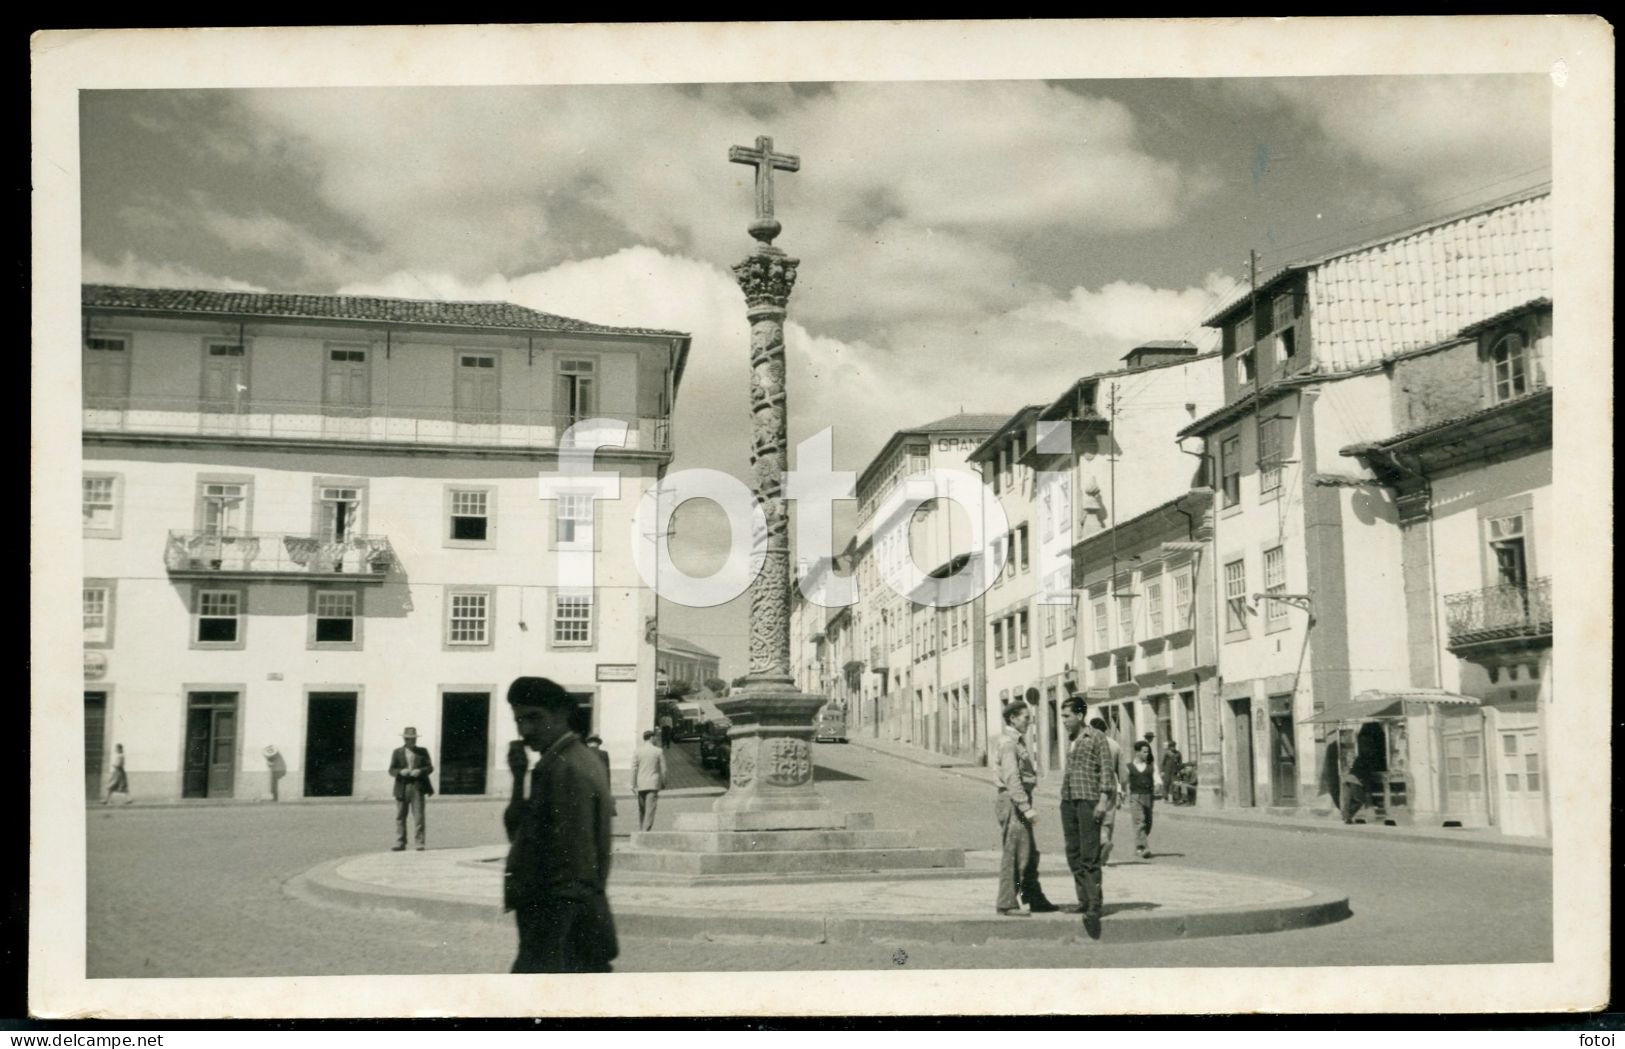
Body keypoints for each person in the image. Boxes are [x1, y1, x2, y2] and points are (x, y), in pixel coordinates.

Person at [503, 676, 617, 973]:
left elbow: (574, 863)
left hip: (557, 922)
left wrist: (549, 942)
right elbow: (518, 833)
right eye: (519, 720)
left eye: (534, 718)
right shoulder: (561, 760)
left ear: (562, 714)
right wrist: (518, 778)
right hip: (557, 920)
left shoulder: (565, 768)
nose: (525, 730)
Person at [992, 701, 1058, 916]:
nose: (1029, 722)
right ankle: (1007, 903)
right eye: (1025, 718)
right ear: (1012, 718)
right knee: (1015, 852)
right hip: (1013, 801)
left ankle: (1034, 897)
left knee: (1028, 851)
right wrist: (1025, 806)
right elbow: (1012, 778)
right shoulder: (1009, 744)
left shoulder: (1016, 742)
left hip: (1017, 800)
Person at [1059, 697, 1116, 938]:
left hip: (1089, 800)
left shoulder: (1096, 737)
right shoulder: (1072, 740)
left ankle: (1094, 905)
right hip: (1069, 800)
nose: (1063, 721)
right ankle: (1082, 899)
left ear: (1080, 716)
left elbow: (1106, 770)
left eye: (1067, 716)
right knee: (1073, 852)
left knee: (1089, 853)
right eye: (1062, 716)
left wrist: (1103, 801)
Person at [388, 727, 435, 851]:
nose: (412, 741)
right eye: (409, 739)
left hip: (417, 786)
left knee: (419, 816)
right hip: (401, 787)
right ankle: (400, 842)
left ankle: (419, 843)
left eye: (414, 739)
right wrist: (400, 771)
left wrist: (420, 771)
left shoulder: (423, 751)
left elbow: (430, 767)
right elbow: (391, 770)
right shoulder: (397, 752)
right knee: (400, 816)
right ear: (404, 739)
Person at [1090, 716, 1129, 864]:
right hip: (1111, 783)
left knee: (1093, 817)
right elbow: (1123, 773)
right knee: (1108, 817)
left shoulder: (1089, 742)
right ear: (1105, 730)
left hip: (1092, 783)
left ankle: (1100, 844)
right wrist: (1123, 790)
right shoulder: (1115, 745)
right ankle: (1104, 842)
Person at [630, 729, 667, 832]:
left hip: (641, 784)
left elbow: (634, 768)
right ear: (651, 738)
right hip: (653, 783)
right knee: (650, 809)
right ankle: (645, 832)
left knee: (642, 809)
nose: (655, 739)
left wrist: (632, 784)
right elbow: (664, 769)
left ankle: (642, 829)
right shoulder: (658, 751)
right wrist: (664, 782)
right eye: (654, 737)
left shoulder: (637, 751)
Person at [1126, 740, 1158, 859]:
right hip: (1135, 796)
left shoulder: (1151, 766)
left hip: (1148, 796)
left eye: (1148, 752)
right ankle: (1143, 848)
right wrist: (1121, 792)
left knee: (1148, 823)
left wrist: (1158, 785)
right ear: (1137, 752)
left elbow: (1157, 778)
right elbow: (1123, 780)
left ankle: (1139, 845)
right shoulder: (1129, 767)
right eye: (1144, 752)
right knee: (1140, 821)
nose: (1146, 754)